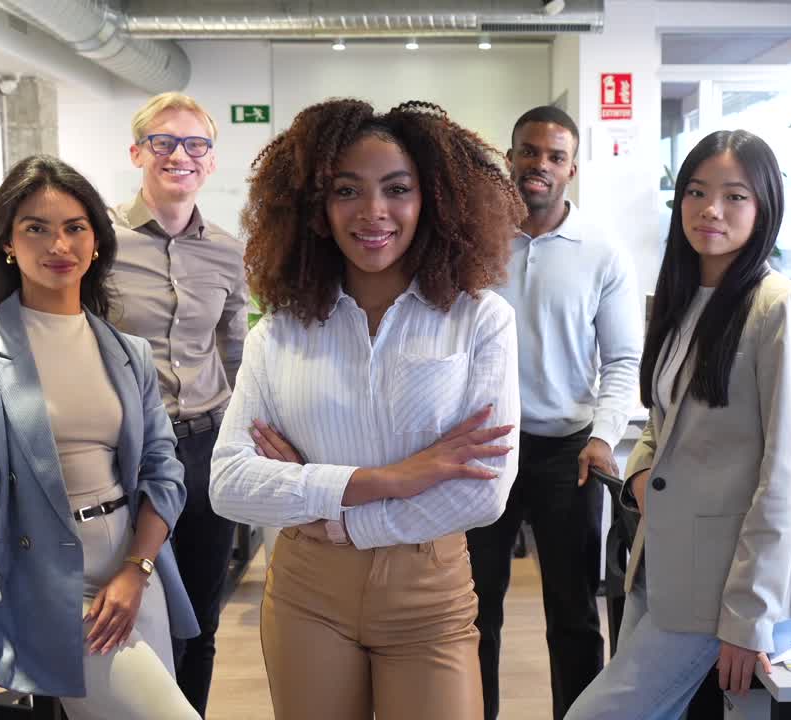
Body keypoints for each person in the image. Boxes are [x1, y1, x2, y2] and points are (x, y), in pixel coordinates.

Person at [209, 99, 524, 720]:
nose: (373, 212)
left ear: (431, 200)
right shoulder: (281, 331)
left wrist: (340, 514)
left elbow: (484, 492)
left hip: (428, 591)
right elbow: (228, 483)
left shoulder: (479, 319)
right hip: (305, 592)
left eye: (397, 189)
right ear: (317, 210)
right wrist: (392, 479)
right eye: (346, 190)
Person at [0, 155, 199, 720]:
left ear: (95, 242)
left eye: (74, 227)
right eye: (35, 228)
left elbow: (164, 471)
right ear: (8, 244)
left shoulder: (126, 352)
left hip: (134, 569)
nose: (58, 244)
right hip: (49, 582)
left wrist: (136, 569)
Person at [566, 130, 791, 720]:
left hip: (720, 586)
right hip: (657, 562)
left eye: (735, 196)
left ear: (764, 209)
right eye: (696, 191)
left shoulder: (781, 309)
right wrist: (638, 480)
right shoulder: (679, 299)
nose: (711, 209)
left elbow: (785, 474)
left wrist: (748, 615)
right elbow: (660, 424)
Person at [467, 105, 642, 720]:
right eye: (529, 152)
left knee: (572, 616)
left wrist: (605, 437)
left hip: (570, 454)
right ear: (510, 158)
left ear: (572, 168)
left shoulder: (601, 251)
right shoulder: (476, 242)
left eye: (555, 156)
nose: (540, 165)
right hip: (483, 449)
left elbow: (622, 360)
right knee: (473, 614)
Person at [106, 91, 249, 716]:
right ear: (138, 152)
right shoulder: (98, 241)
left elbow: (236, 348)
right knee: (133, 611)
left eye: (196, 144)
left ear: (211, 162)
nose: (180, 155)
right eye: (163, 141)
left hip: (210, 448)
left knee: (202, 615)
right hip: (129, 454)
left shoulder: (226, 249)